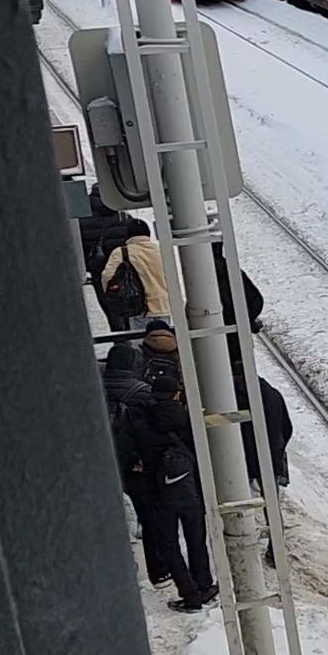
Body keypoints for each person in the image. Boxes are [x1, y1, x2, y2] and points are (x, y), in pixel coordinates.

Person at [135, 374, 219, 610]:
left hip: (158, 493)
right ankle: (204, 585)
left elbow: (132, 455)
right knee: (196, 539)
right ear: (176, 395)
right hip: (190, 489)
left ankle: (189, 593)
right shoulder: (190, 422)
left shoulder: (141, 424)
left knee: (169, 545)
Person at [102, 344, 166, 585]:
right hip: (135, 465)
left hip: (102, 462)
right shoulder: (143, 393)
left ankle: (122, 565)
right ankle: (157, 569)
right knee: (148, 516)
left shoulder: (92, 388)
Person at [99, 218, 169, 321]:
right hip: (164, 306)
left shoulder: (121, 252)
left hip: (137, 307)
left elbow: (107, 276)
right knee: (163, 336)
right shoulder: (161, 250)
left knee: (140, 336)